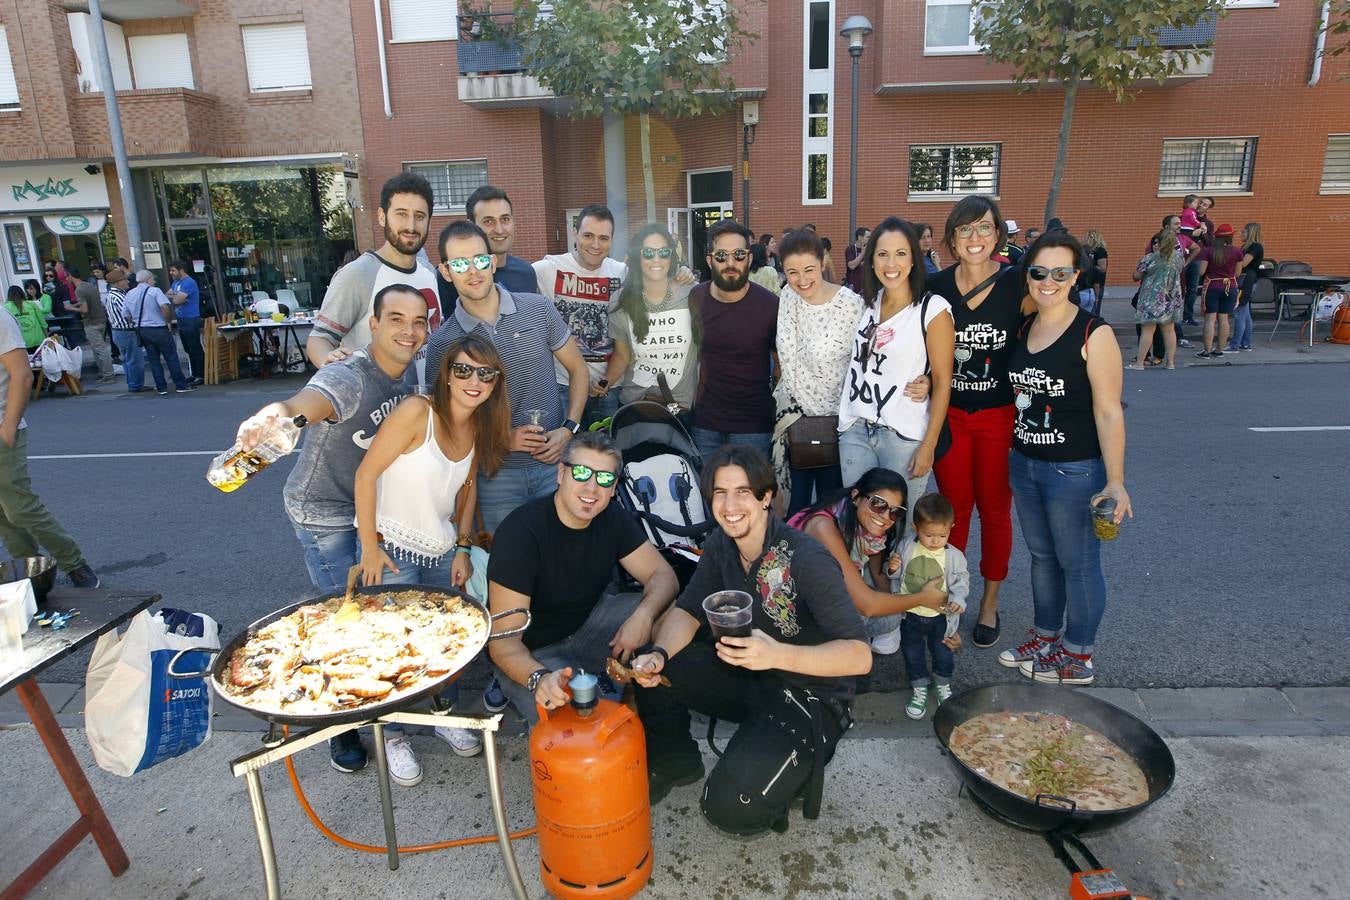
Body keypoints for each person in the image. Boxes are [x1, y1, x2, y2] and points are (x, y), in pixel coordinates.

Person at [231, 284, 429, 773]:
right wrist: (272, 416)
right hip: (323, 515)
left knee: (376, 614)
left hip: (367, 510)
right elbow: (305, 403)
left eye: (419, 321)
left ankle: (381, 717)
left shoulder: (409, 375)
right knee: (347, 620)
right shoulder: (350, 375)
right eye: (397, 319)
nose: (409, 330)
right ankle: (341, 728)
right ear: (374, 325)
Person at [628, 445, 871, 835]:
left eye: (743, 491)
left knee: (727, 809)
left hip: (811, 696)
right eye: (719, 493)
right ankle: (676, 760)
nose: (730, 505)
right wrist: (657, 653)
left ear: (766, 497)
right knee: (653, 662)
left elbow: (860, 656)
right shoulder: (722, 545)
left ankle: (785, 764)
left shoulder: (806, 558)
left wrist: (777, 654)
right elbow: (689, 609)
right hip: (750, 676)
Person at [352, 334, 511, 782]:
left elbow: (467, 488)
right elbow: (366, 474)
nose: (474, 381)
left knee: (444, 643)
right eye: (463, 369)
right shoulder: (417, 413)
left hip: (442, 550)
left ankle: (441, 717)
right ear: (446, 373)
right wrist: (369, 547)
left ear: (496, 381)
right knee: (391, 648)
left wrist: (462, 546)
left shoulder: (479, 424)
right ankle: (395, 735)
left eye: (485, 373)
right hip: (393, 551)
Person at [1000, 231, 1131, 686]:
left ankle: (1079, 654)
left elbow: (1109, 410)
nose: (1048, 281)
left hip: (1074, 470)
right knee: (1041, 557)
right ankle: (1047, 636)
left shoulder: (1094, 333)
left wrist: (1115, 481)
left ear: (1075, 276)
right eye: (1039, 272)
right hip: (1024, 462)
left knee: (1077, 562)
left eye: (1060, 272)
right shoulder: (1025, 324)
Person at [485, 431, 679, 723]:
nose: (592, 487)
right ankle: (518, 686)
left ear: (613, 487)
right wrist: (539, 678)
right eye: (581, 472)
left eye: (603, 479)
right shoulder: (521, 532)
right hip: (534, 650)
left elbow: (663, 575)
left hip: (591, 627)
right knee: (576, 726)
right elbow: (503, 642)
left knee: (671, 614)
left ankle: (653, 719)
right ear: (560, 474)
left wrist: (644, 617)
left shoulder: (611, 516)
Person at [423, 220, 590, 534]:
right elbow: (444, 422)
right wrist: (500, 439)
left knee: (565, 557)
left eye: (479, 259)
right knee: (510, 566)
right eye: (459, 263)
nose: (473, 271)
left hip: (554, 464)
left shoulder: (538, 308)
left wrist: (569, 429)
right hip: (494, 477)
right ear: (446, 272)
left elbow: (579, 370)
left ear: (493, 261)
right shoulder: (442, 342)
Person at [926, 196, 1024, 649]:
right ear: (951, 239)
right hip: (950, 419)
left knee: (995, 512)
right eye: (965, 230)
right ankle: (954, 597)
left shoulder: (1017, 284)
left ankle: (989, 604)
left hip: (999, 417)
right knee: (955, 513)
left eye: (984, 228)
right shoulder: (936, 286)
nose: (975, 238)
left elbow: (1045, 336)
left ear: (998, 235)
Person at [838, 217, 954, 527]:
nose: (891, 263)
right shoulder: (867, 304)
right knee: (857, 528)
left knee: (899, 531)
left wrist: (928, 445)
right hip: (856, 430)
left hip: (903, 438)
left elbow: (943, 383)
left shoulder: (933, 309)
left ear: (914, 259)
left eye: (901, 253)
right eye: (882, 253)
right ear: (871, 259)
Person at [788, 467, 948, 655]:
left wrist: (943, 625)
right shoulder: (823, 526)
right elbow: (867, 605)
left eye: (895, 512)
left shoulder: (868, 531)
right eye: (878, 504)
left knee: (892, 618)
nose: (886, 517)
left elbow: (879, 576)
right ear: (856, 496)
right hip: (787, 606)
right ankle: (819, 654)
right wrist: (923, 599)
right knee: (859, 617)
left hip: (816, 594)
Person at [0, 307, 100, 590]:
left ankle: (75, 564)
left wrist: (9, 427)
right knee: (3, 513)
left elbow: (21, 375)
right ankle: (30, 574)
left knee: (19, 507)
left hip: (2, 428)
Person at [306, 173, 440, 370]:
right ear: (382, 217)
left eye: (419, 216)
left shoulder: (429, 272)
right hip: (373, 399)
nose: (411, 226)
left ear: (429, 221)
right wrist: (331, 365)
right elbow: (319, 339)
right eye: (401, 214)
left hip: (424, 397)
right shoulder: (357, 274)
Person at [773, 228, 863, 514]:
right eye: (792, 272)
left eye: (809, 269)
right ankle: (787, 561)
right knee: (792, 510)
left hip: (836, 426)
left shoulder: (850, 305)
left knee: (832, 510)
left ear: (823, 261)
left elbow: (866, 363)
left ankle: (830, 561)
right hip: (792, 421)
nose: (801, 280)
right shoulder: (787, 295)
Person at [689, 218, 779, 461]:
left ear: (749, 258)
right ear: (709, 261)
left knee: (750, 496)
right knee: (707, 495)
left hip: (754, 427)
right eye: (721, 256)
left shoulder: (771, 306)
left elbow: (780, 366)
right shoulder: (695, 298)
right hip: (704, 424)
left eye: (739, 255)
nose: (731, 263)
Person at [533, 204, 628, 428]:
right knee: (563, 454)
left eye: (603, 238)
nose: (595, 245)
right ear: (575, 234)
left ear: (612, 240)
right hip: (561, 384)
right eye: (588, 235)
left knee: (604, 457)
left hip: (607, 388)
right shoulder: (546, 270)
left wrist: (683, 276)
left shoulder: (622, 273)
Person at [884, 493, 968, 719]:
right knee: (912, 653)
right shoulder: (905, 545)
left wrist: (958, 599)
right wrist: (891, 568)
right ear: (915, 527)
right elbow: (895, 575)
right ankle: (919, 687)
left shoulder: (954, 556)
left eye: (943, 535)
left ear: (951, 528)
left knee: (943, 652)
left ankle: (942, 683)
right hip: (909, 614)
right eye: (928, 534)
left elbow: (961, 580)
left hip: (940, 616)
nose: (935, 541)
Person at [608, 223, 700, 411]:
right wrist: (603, 383)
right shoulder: (621, 300)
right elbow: (622, 354)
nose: (656, 259)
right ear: (637, 257)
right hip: (635, 404)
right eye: (648, 253)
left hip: (680, 406)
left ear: (671, 255)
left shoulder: (693, 294)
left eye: (663, 252)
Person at [437, 185, 539, 314]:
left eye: (505, 219)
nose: (499, 229)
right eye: (488, 221)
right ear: (471, 225)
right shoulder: (448, 278)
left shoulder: (526, 273)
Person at [122, 270, 193, 396]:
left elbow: (126, 314)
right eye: (152, 279)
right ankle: (180, 385)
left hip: (143, 330)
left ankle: (161, 387)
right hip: (158, 328)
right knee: (171, 357)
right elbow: (165, 307)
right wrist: (168, 321)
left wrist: (136, 322)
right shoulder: (154, 291)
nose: (154, 281)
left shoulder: (130, 294)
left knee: (153, 359)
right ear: (148, 279)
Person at [1128, 225, 1184, 370]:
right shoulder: (1178, 258)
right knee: (1169, 330)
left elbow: (1136, 276)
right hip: (1171, 298)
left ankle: (1139, 363)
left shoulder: (1150, 258)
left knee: (1147, 330)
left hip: (1152, 298)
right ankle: (1170, 363)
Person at [1195, 223, 1246, 359]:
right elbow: (1238, 273)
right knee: (1224, 319)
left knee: (1210, 320)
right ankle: (1219, 350)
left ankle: (1206, 351)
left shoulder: (1209, 251)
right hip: (1230, 285)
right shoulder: (1237, 252)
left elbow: (1201, 271)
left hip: (1212, 285)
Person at [101, 267, 145, 393]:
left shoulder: (113, 294)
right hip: (125, 331)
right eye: (124, 280)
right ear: (117, 282)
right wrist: (137, 323)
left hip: (119, 331)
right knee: (134, 359)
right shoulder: (117, 296)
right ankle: (135, 385)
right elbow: (127, 314)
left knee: (128, 359)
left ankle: (133, 383)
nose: (127, 282)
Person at [68, 271, 114, 383]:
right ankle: (103, 372)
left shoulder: (79, 290)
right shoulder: (90, 285)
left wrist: (71, 308)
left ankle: (108, 374)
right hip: (101, 320)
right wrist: (76, 305)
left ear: (71, 276)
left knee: (100, 349)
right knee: (97, 348)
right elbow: (90, 302)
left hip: (91, 322)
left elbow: (85, 309)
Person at [166, 260, 205, 386]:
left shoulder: (189, 282)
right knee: (188, 348)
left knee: (195, 347)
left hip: (191, 318)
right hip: (181, 318)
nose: (171, 273)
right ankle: (194, 373)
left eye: (173, 270)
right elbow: (168, 295)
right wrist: (178, 297)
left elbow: (176, 300)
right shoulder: (176, 282)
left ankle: (200, 374)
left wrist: (177, 297)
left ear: (181, 269)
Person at [1228, 222, 1263, 353]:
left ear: (1250, 233)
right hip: (1247, 279)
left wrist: (1232, 260)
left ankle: (1234, 345)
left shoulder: (1254, 246)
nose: (1241, 234)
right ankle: (1246, 343)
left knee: (1239, 312)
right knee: (1246, 314)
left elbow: (1244, 263)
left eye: (1244, 232)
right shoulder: (1248, 246)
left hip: (1246, 280)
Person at [5, 284, 47, 353]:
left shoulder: (6, 307)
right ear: (22, 293)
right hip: (38, 340)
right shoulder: (31, 304)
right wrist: (47, 337)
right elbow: (43, 323)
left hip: (20, 344)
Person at [1082, 230, 1108, 313]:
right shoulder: (1085, 250)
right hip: (1087, 283)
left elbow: (1103, 268)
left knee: (1095, 309)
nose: (1084, 238)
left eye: (1086, 237)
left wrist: (1089, 267)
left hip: (1097, 283)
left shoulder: (1100, 251)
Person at [843, 227, 869, 294]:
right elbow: (851, 266)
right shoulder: (850, 249)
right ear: (860, 237)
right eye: (867, 237)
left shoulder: (870, 250)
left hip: (867, 287)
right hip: (853, 287)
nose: (870, 239)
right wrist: (863, 252)